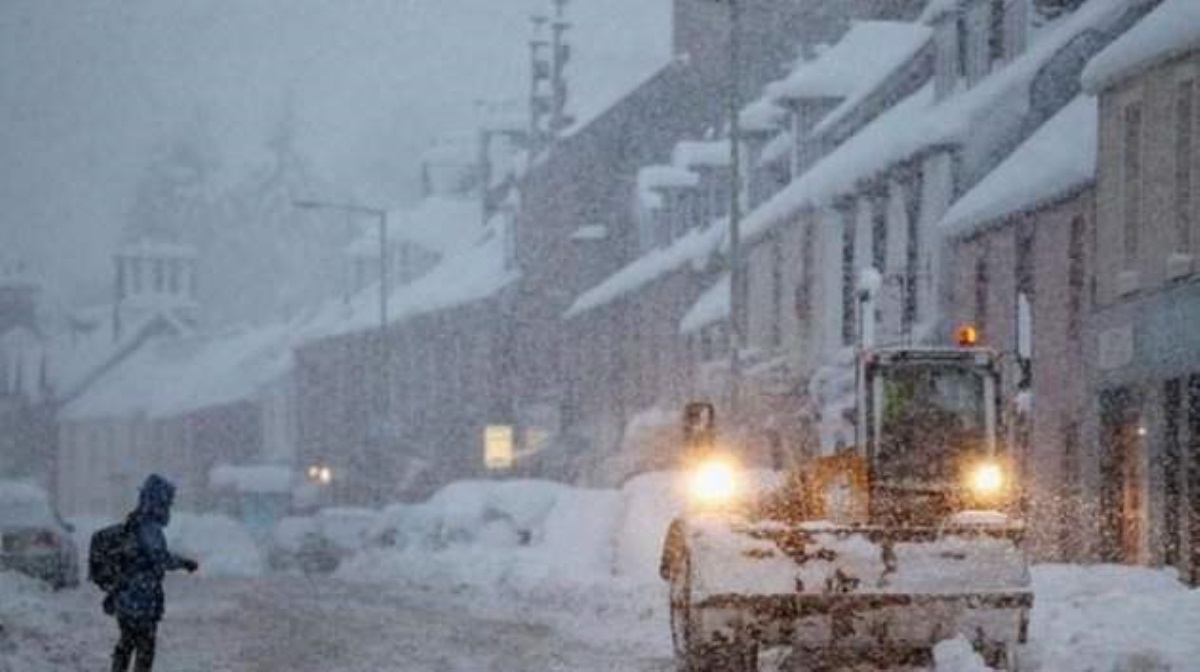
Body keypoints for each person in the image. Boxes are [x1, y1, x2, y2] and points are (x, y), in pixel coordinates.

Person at [107, 474, 199, 672]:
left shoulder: (134, 522)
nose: (169, 508)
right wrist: (184, 563)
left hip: (128, 598)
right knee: (144, 649)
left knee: (126, 644)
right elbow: (159, 557)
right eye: (168, 503)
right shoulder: (148, 527)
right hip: (141, 599)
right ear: (160, 501)